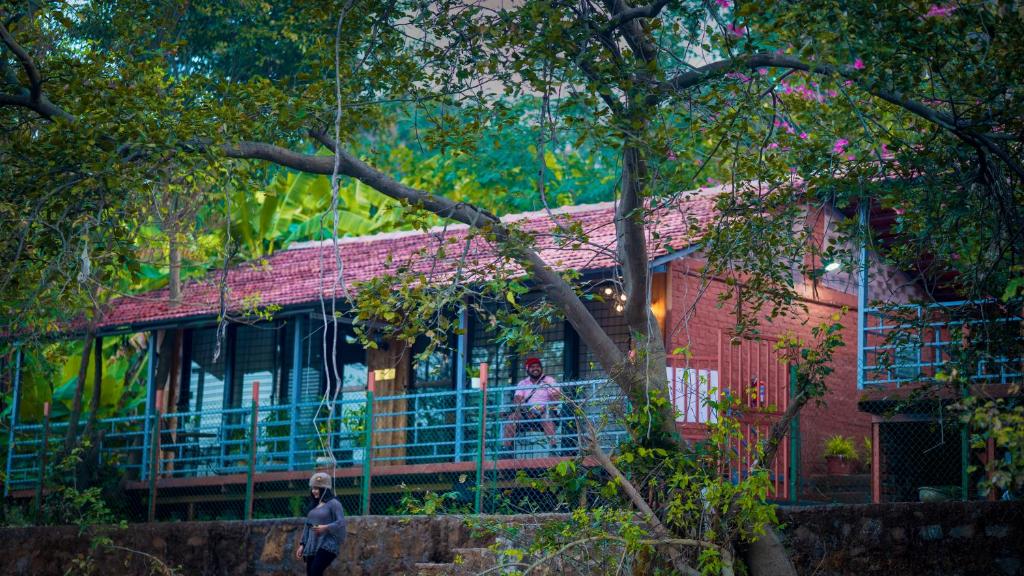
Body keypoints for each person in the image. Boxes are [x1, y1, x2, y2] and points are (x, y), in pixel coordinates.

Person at [503, 357, 561, 450]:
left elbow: (556, 398)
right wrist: (526, 411)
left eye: (538, 366)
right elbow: (517, 400)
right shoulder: (523, 383)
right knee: (511, 419)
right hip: (526, 413)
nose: (535, 368)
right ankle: (506, 449)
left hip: (545, 411)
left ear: (541, 368)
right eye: (532, 367)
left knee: (547, 418)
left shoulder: (549, 380)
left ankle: (552, 448)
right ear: (527, 369)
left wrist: (545, 408)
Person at [295, 472, 347, 576]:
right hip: (312, 544)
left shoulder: (334, 503)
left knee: (315, 571)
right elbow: (308, 526)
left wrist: (326, 527)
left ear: (325, 489)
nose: (314, 491)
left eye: (317, 488)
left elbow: (341, 522)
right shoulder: (314, 505)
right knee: (311, 573)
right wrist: (302, 544)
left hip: (327, 545)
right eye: (313, 488)